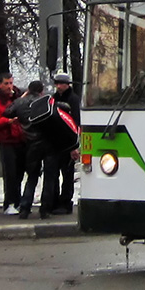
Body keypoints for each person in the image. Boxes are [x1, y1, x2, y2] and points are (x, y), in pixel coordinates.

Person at [5, 80, 57, 218]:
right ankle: (45, 210)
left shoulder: (20, 103)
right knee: (49, 178)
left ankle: (25, 208)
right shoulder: (45, 101)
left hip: (31, 144)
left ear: (28, 90)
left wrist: (21, 98)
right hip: (49, 142)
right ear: (41, 91)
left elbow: (7, 112)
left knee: (32, 177)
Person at [0, 72, 25, 216]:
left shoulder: (17, 96)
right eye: (6, 84)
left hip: (20, 139)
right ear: (0, 84)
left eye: (11, 83)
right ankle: (9, 203)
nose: (10, 87)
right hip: (6, 140)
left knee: (19, 173)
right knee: (10, 174)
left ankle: (18, 201)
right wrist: (7, 121)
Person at [50, 73, 81, 215]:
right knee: (55, 173)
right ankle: (55, 201)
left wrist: (74, 145)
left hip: (68, 143)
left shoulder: (73, 99)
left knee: (67, 174)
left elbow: (76, 123)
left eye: (61, 83)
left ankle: (66, 202)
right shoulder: (54, 98)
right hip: (56, 141)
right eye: (56, 83)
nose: (58, 86)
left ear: (67, 84)